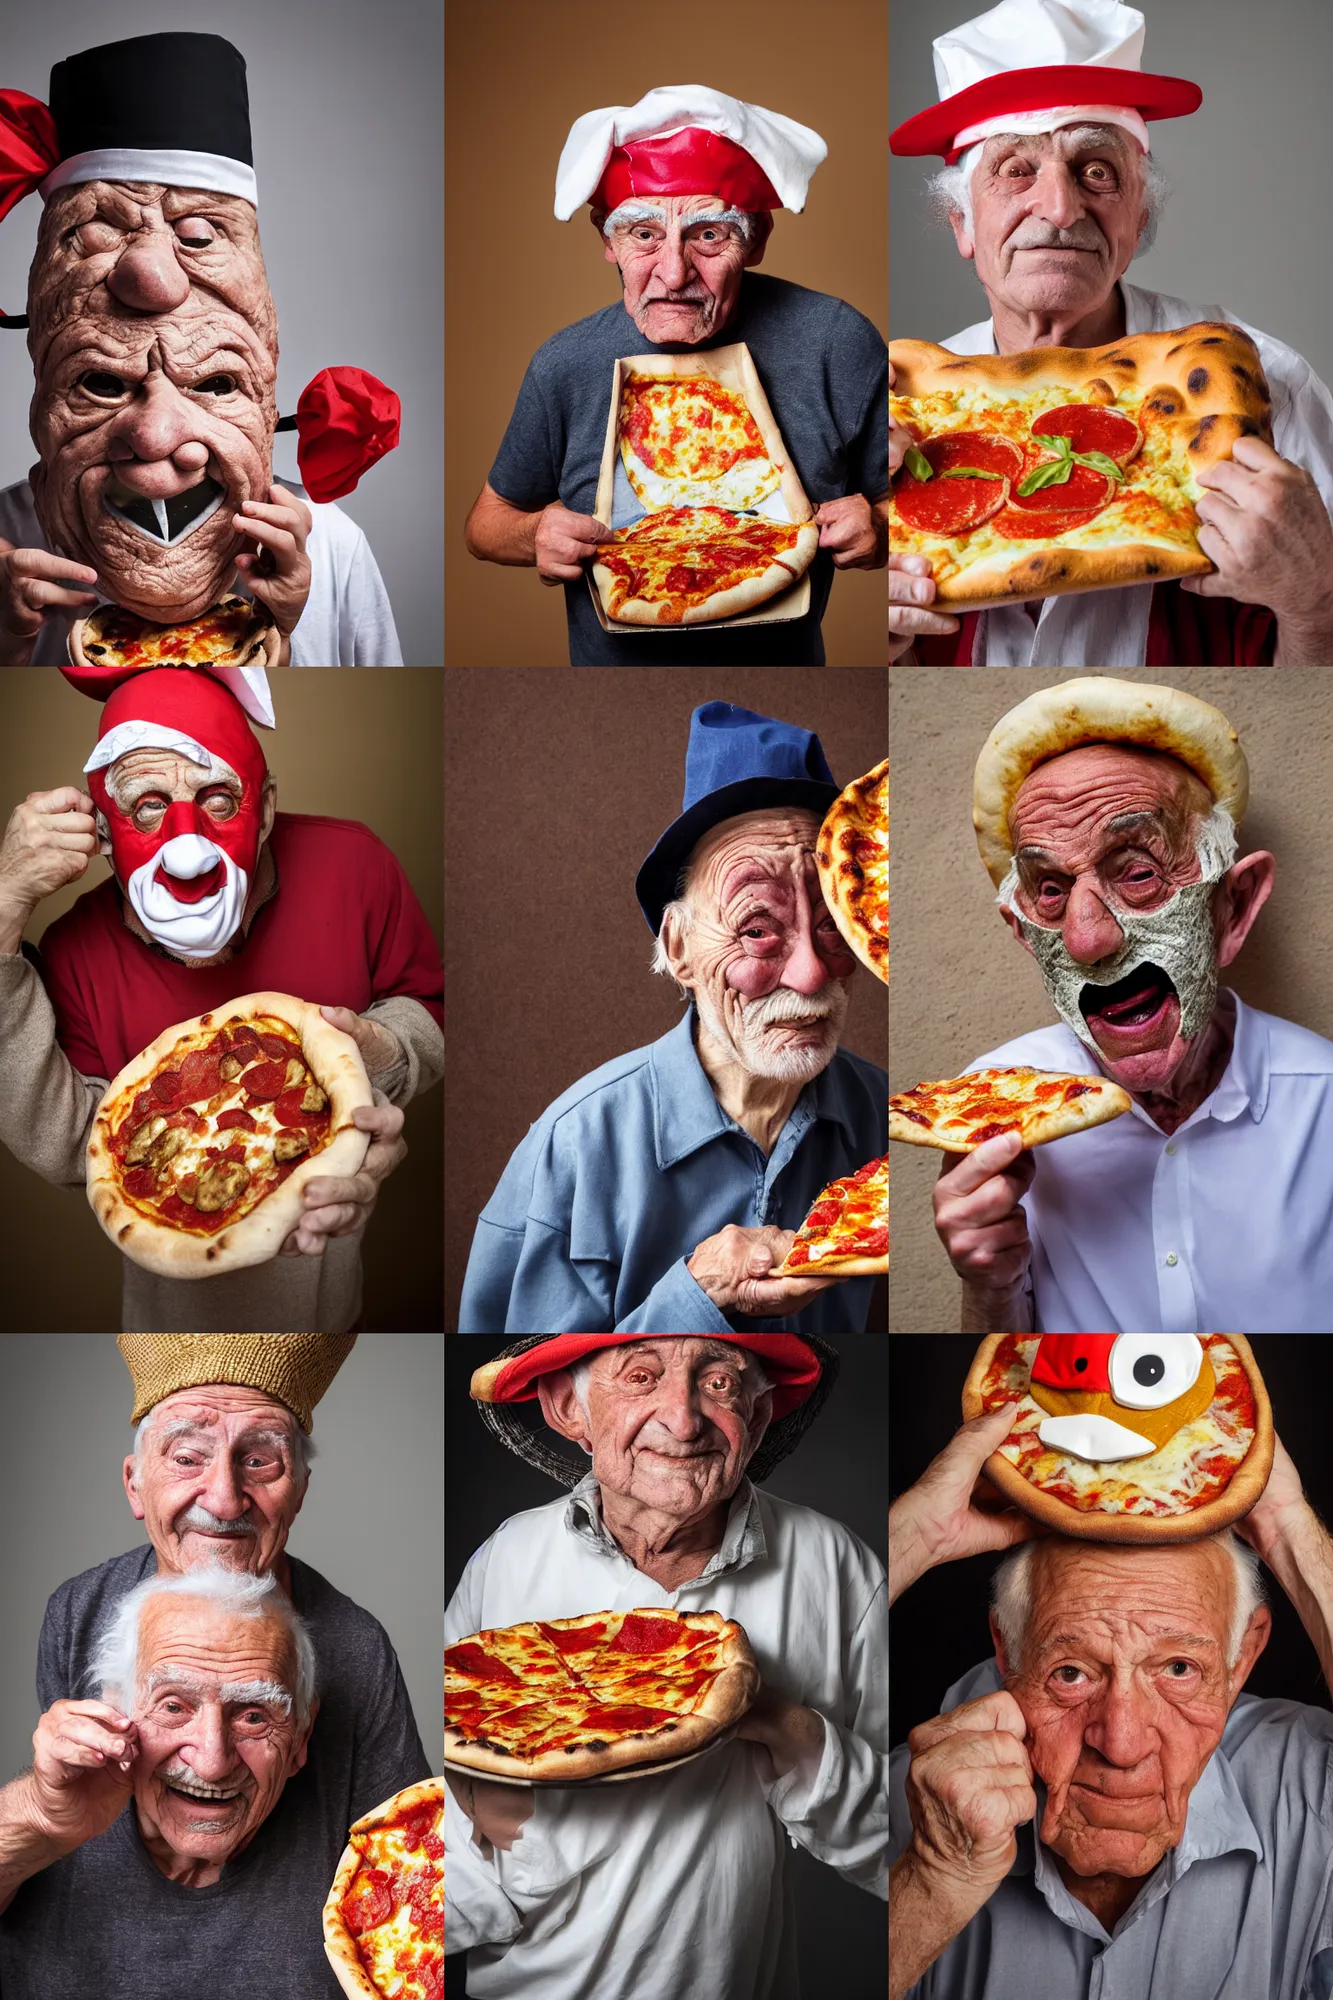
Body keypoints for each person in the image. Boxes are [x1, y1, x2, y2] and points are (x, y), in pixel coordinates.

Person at [888, 0, 1333, 667]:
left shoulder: (1270, 387)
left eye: (1095, 171)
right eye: (1015, 169)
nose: (1061, 208)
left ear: (1136, 217)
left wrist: (1315, 602)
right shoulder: (888, 411)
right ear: (961, 223)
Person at [0, 668, 444, 1330]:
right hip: (166, 1323)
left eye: (217, 799)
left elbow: (425, 1007)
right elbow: (77, 1147)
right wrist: (4, 901)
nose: (186, 853)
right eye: (148, 805)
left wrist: (378, 1058)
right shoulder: (72, 947)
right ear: (104, 827)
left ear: (263, 808)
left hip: (334, 1298)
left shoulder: (356, 864)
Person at [447, 1332, 887, 2000]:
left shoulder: (834, 1565)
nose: (682, 1422)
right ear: (570, 1408)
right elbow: (434, 1802)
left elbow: (905, 1845)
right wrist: (482, 1810)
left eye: (718, 1384)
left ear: (759, 1416)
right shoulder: (508, 1556)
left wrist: (793, 1734)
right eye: (640, 1376)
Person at [0, 1332, 431, 1998]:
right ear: (136, 1484)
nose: (224, 1500)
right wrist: (37, 1811)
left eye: (259, 1460)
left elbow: (410, 1896)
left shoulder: (355, 1648)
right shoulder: (79, 1611)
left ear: (300, 1490)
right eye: (187, 1456)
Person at [459, 704, 886, 1333]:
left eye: (830, 925)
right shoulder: (574, 1146)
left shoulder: (885, 1114)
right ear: (680, 948)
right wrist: (700, 1289)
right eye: (758, 930)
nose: (812, 973)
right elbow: (514, 1385)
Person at [888, 1404, 1333, 2000]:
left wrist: (1287, 1526)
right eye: (1071, 1673)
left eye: (1178, 1669)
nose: (1121, 1744)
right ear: (1008, 1652)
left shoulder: (1309, 1788)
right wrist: (933, 1881)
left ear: (1242, 1659)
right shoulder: (901, 1806)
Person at [929, 676, 1333, 1332]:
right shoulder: (993, 1107)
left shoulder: (1325, 1104)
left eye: (1138, 873)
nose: (1088, 938)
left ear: (1230, 908)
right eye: (1052, 891)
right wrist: (988, 1287)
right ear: (1025, 936)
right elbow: (1006, 1384)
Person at [0, 32, 403, 664]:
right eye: (104, 383)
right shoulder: (6, 547)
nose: (160, 439)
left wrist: (288, 627)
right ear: (44, 390)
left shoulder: (330, 549)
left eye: (214, 386)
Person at [466, 85, 889, 664]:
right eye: (644, 235)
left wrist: (884, 527)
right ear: (606, 239)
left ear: (756, 239)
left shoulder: (836, 342)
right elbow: (486, 524)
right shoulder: (563, 364)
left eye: (708, 234)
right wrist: (535, 533)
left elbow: (919, 501)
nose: (673, 272)